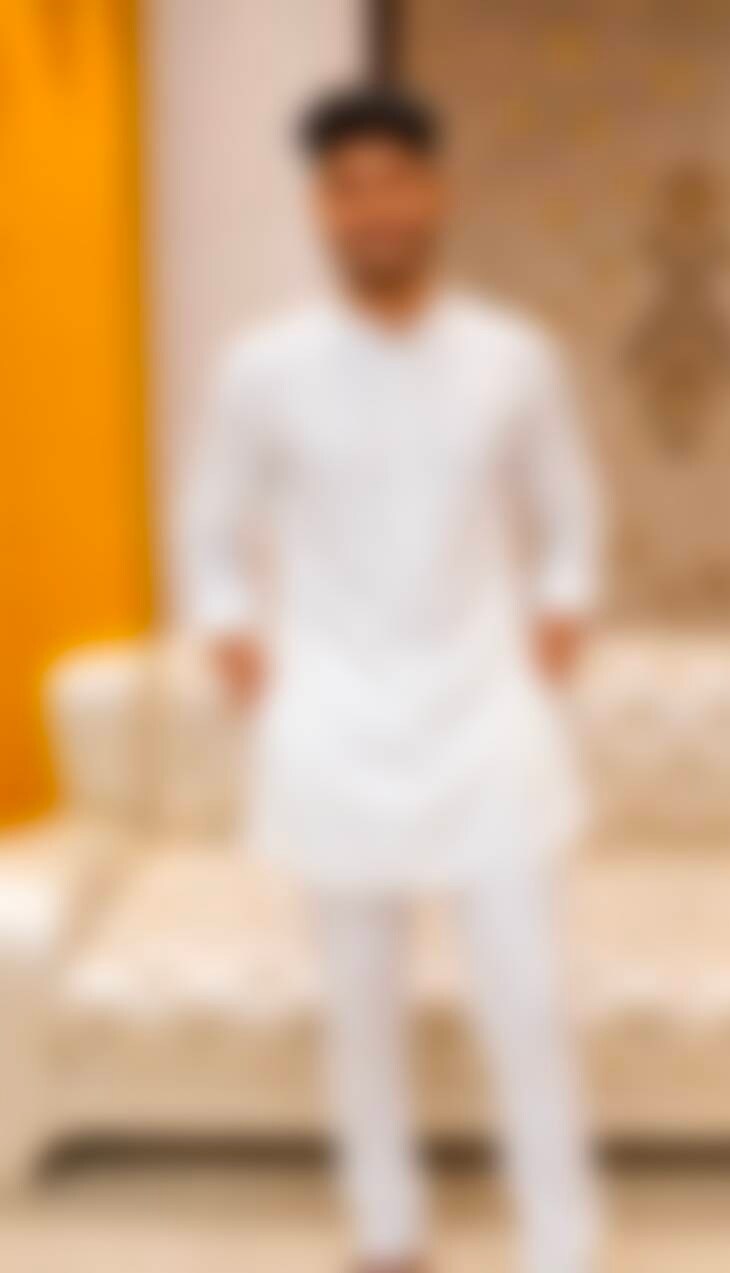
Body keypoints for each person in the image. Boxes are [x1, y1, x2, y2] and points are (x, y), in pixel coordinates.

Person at [181, 83, 601, 1273]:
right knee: (359, 1010)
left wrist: (562, 607)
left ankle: (562, 1241)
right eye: (346, 186)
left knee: (527, 1001)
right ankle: (386, 1227)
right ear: (320, 207)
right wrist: (231, 633)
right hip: (331, 715)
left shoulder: (514, 357)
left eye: (393, 181)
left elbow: (568, 510)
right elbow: (210, 527)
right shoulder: (262, 368)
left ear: (435, 192)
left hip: (486, 711)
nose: (373, 208)